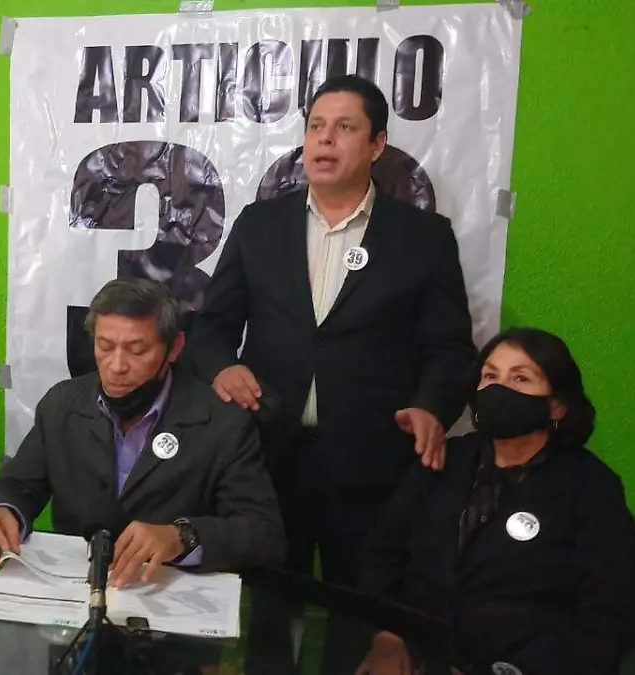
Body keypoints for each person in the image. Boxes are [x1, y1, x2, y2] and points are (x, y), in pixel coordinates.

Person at [186, 74, 477, 673]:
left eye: (344, 127)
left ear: (377, 144)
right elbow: (211, 326)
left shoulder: (423, 237)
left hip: (370, 465)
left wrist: (433, 406)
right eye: (316, 126)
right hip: (268, 456)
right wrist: (222, 367)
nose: (325, 139)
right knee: (268, 618)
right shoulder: (260, 225)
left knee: (357, 621)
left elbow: (449, 348)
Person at [357, 328, 635, 675]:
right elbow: (383, 554)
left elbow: (613, 612)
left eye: (521, 378)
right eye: (490, 376)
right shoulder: (442, 460)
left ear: (557, 405)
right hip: (423, 658)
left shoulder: (590, 487)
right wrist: (389, 636)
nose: (499, 389)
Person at [0, 277, 285, 586]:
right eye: (105, 347)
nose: (117, 366)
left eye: (137, 350)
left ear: (174, 347)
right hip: (73, 590)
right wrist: (1, 510)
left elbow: (264, 534)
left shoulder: (221, 421)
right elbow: (16, 486)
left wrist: (181, 537)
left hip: (170, 594)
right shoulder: (62, 406)